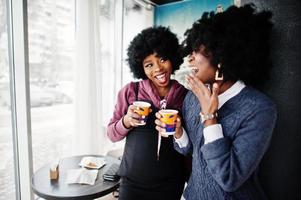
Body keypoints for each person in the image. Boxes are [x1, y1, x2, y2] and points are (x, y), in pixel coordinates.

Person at [155, 4, 277, 200]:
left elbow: (230, 179)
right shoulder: (192, 97)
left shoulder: (259, 109)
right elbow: (190, 150)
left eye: (196, 51)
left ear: (221, 57)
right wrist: (178, 132)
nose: (190, 58)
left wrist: (210, 118)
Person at [107, 26, 187, 200]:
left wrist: (180, 131)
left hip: (170, 183)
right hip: (132, 184)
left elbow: (189, 146)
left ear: (172, 58)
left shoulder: (185, 96)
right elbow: (111, 134)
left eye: (162, 59)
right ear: (140, 68)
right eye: (149, 64)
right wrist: (126, 121)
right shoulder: (130, 92)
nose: (157, 68)